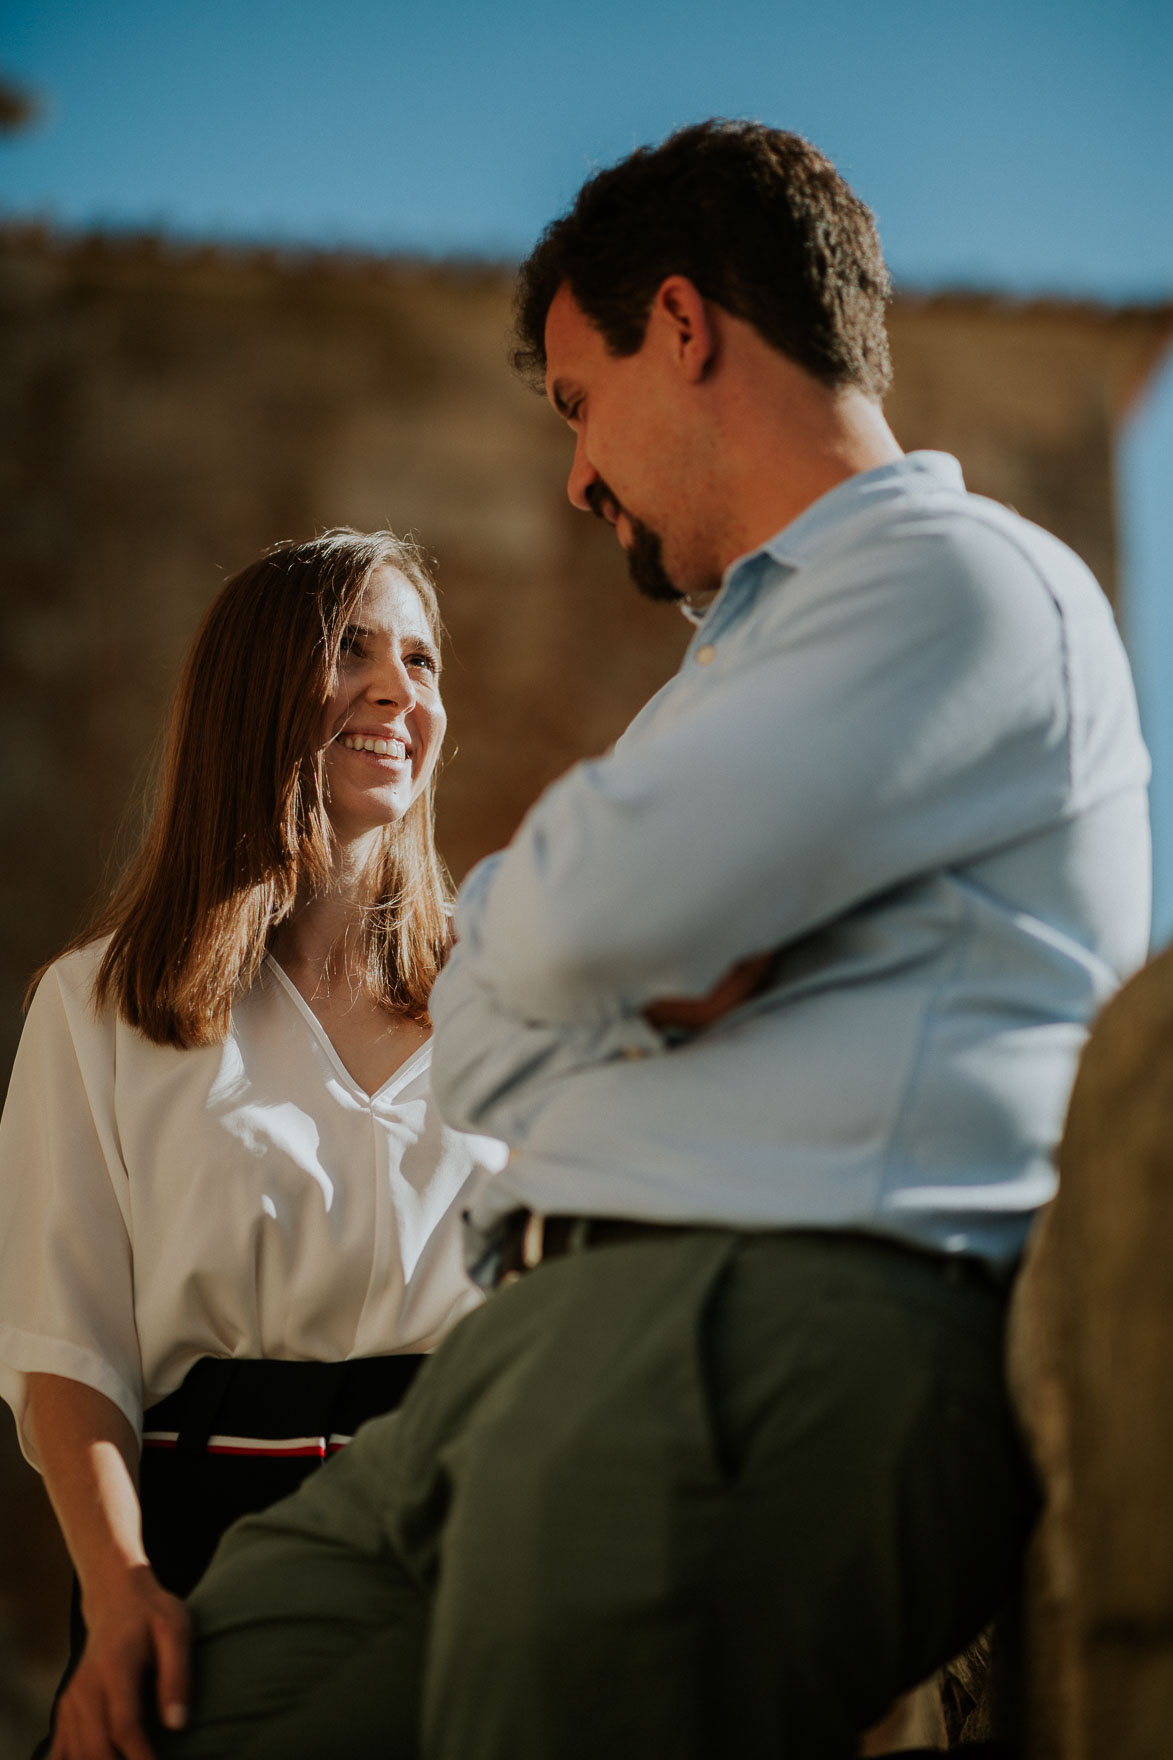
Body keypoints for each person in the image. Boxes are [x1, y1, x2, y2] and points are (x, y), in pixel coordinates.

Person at [161, 121, 1151, 1759]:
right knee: (197, 1703)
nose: (570, 474)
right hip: (531, 1355)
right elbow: (484, 1025)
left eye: (575, 401)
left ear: (681, 326)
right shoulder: (741, 669)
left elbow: (598, 914)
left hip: (741, 1338)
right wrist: (592, 944)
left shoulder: (961, 582)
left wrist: (576, 920)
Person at [0, 529, 506, 1760]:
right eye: (351, 648)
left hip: (480, 1548)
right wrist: (122, 1594)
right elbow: (70, 1355)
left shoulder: (512, 997)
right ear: (250, 697)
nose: (400, 689)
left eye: (423, 661)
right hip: (200, 1564)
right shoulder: (99, 1007)